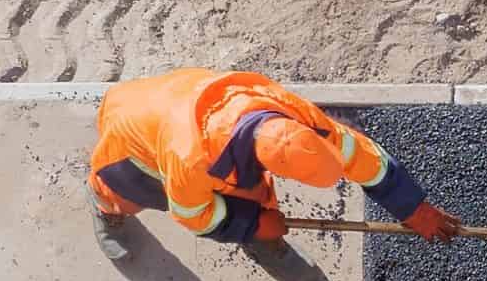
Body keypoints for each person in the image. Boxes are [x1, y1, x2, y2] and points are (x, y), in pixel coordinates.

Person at [86, 68, 462, 259]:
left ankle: (257, 234)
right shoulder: (191, 159)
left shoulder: (294, 116)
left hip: (181, 99)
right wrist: (250, 224)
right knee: (123, 193)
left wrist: (412, 207)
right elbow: (192, 214)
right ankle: (104, 208)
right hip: (133, 140)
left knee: (251, 193)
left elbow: (361, 157)